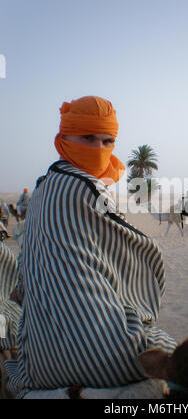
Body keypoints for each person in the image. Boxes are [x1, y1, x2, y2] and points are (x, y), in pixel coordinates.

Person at [6, 96, 176, 398]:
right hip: (106, 360)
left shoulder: (43, 186)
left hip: (39, 365)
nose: (98, 149)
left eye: (107, 140)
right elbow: (133, 249)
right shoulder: (85, 186)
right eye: (88, 138)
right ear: (64, 138)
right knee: (165, 348)